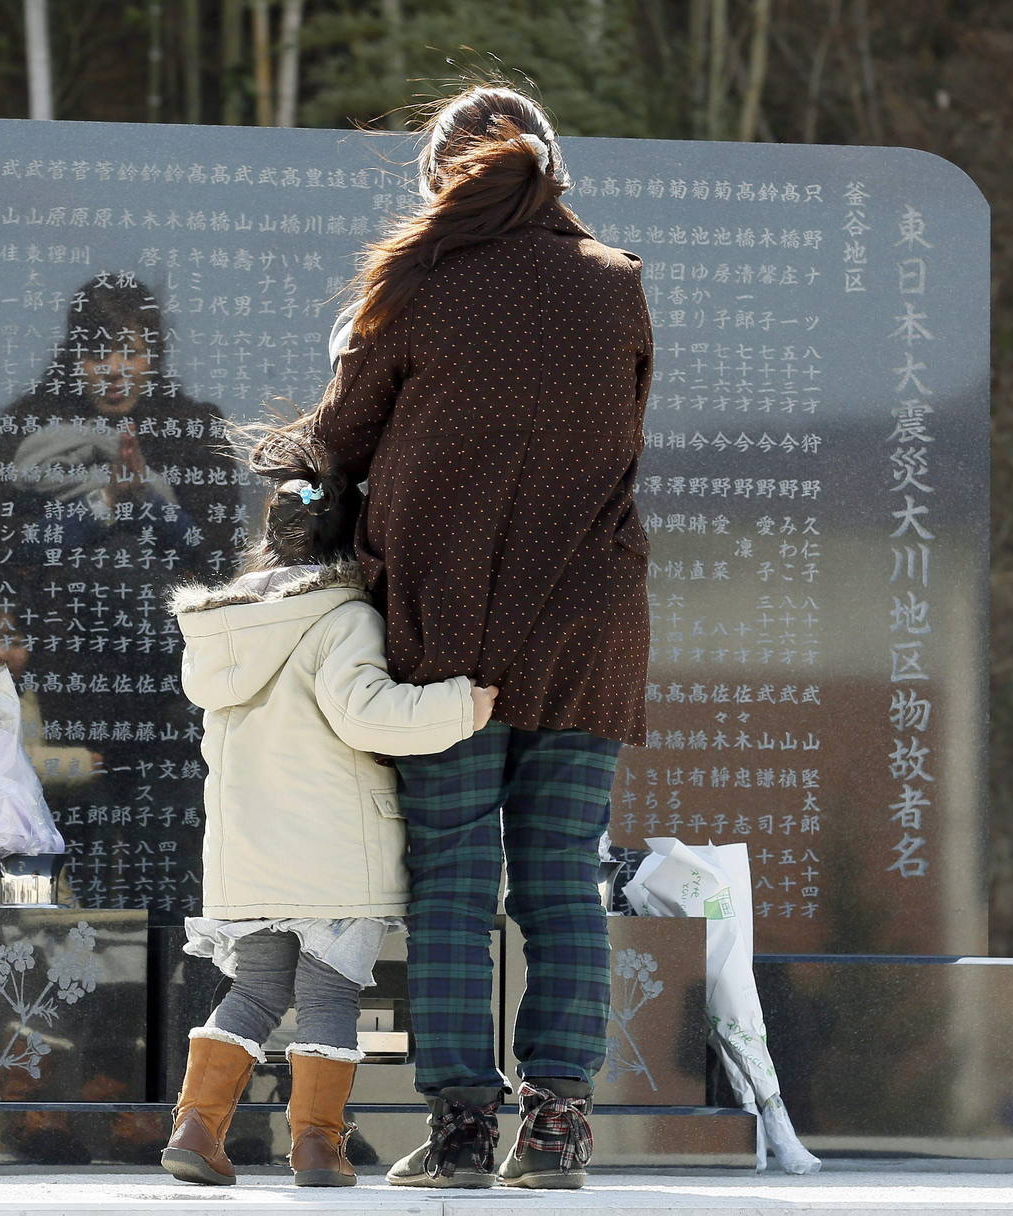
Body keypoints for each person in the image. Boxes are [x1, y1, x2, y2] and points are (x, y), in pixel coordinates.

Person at [311, 84, 654, 1189]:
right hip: (585, 622)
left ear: (438, 180)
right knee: (560, 876)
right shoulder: (617, 288)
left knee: (453, 878)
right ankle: (556, 1131)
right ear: (552, 173)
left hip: (445, 625)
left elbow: (338, 438)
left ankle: (460, 1128)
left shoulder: (416, 283)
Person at [160, 426, 498, 1188]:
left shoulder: (225, 631)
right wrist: (460, 705)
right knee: (329, 994)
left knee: (253, 988)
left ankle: (196, 1126)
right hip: (334, 853)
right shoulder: (344, 617)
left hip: (250, 853)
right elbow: (366, 715)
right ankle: (318, 1145)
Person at [0, 274, 240, 916]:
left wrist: (151, 506)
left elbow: (216, 556)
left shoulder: (195, 430)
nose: (113, 371)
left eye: (130, 352)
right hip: (69, 679)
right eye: (96, 354)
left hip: (171, 687)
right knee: (62, 862)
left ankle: (172, 999)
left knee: (169, 859)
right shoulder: (30, 428)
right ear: (73, 357)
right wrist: (101, 502)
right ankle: (52, 997)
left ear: (154, 355)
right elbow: (15, 551)